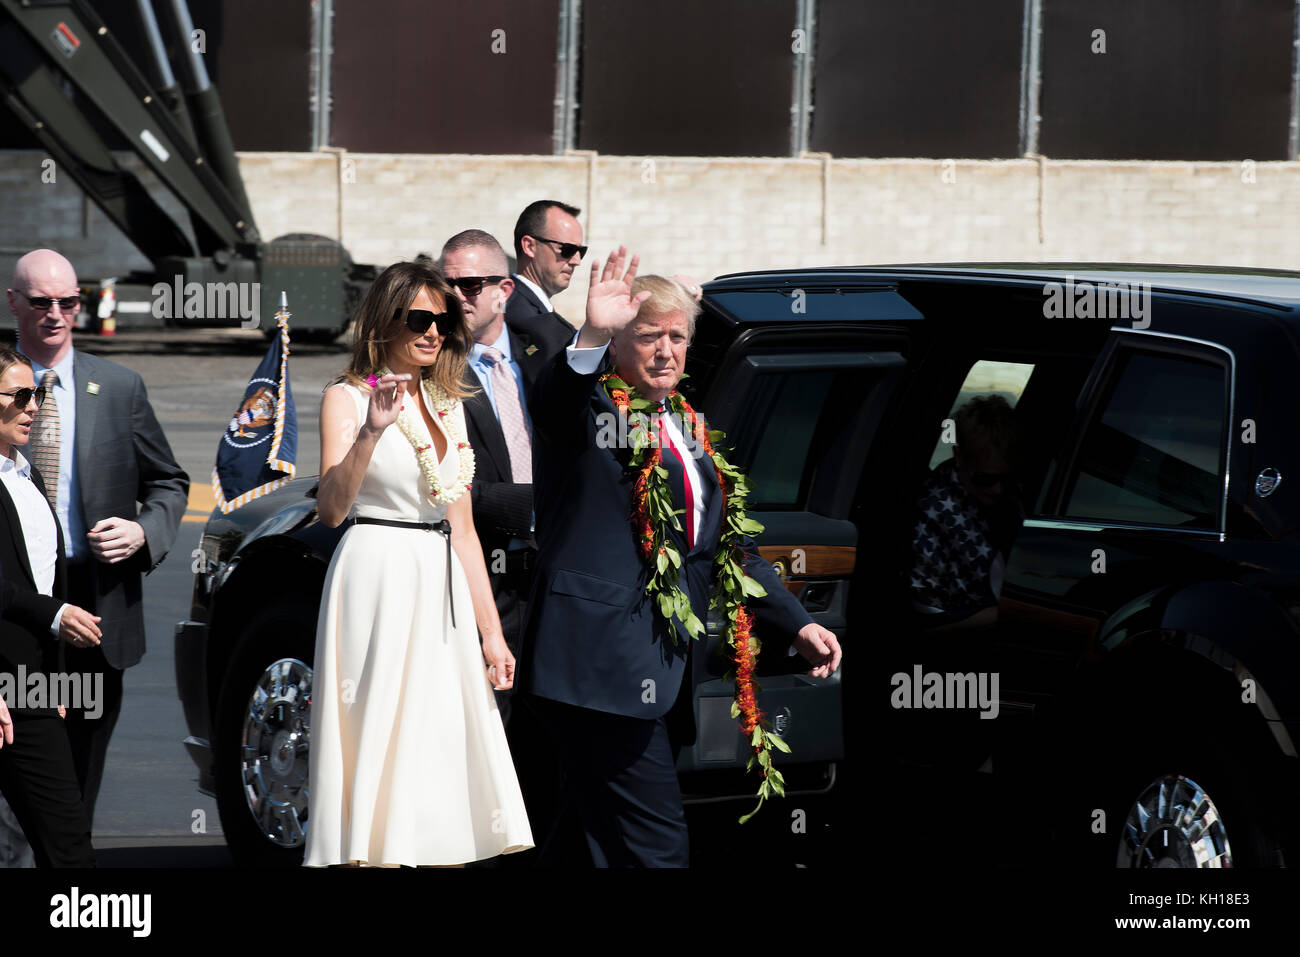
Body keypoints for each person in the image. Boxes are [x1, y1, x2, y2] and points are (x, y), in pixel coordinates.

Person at [519, 249, 843, 867]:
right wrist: (588, 332)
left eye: (677, 336)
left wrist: (796, 621)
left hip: (658, 664)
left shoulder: (687, 425)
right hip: (599, 667)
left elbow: (725, 548)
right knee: (657, 845)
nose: (666, 349)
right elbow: (554, 399)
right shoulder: (589, 414)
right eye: (647, 336)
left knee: (589, 839)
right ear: (617, 345)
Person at [303, 259, 532, 867]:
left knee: (438, 746)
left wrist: (492, 636)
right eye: (420, 319)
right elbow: (330, 509)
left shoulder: (448, 402)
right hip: (377, 573)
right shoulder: (345, 397)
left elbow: (463, 532)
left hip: (443, 587)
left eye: (445, 320)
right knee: (380, 732)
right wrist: (371, 433)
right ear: (387, 320)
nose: (434, 331)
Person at [9, 249, 188, 826]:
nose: (56, 314)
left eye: (69, 301)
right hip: (14, 603)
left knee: (80, 771)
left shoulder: (117, 387)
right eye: (41, 302)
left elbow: (168, 481)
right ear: (14, 302)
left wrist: (142, 530)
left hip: (94, 602)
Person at [439, 228, 569, 866]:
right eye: (449, 285)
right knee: (491, 735)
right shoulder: (432, 369)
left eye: (469, 285)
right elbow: (443, 490)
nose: (456, 298)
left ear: (504, 289)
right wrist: (536, 509)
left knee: (552, 736)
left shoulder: (547, 352)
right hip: (485, 580)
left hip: (558, 582)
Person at [0, 346, 97, 867]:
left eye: (34, 393)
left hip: (31, 686)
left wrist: (55, 678)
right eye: (19, 395)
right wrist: (54, 616)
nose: (34, 406)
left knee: (64, 840)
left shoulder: (27, 474)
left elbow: (43, 576)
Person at [909, 394, 1023, 632]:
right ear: (959, 457)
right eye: (986, 479)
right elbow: (929, 624)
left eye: (1007, 478)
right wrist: (1009, 612)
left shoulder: (1013, 501)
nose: (998, 490)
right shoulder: (932, 514)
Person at [505, 200, 587, 348]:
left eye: (581, 251)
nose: (576, 261)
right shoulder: (521, 314)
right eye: (567, 249)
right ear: (530, 246)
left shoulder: (527, 306)